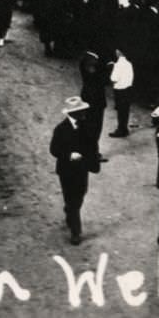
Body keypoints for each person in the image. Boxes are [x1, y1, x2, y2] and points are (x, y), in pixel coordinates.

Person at [49, 97, 99, 245]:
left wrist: (93, 161)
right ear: (72, 113)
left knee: (81, 193)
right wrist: (69, 155)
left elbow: (92, 145)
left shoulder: (86, 126)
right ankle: (75, 231)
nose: (84, 113)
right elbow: (54, 149)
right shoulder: (60, 129)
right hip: (67, 170)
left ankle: (70, 211)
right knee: (72, 199)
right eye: (80, 111)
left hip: (82, 168)